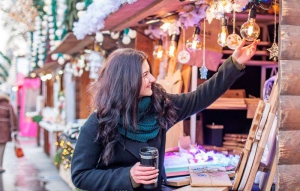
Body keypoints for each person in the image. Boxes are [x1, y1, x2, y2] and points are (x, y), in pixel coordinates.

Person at [71, 38, 259, 191]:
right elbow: (80, 175)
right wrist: (127, 176)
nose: (152, 79)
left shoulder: (161, 108)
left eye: (149, 73)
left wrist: (234, 64)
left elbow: (200, 97)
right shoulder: (98, 122)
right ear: (127, 81)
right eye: (145, 75)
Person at [0, 92, 18, 173]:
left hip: (4, 128)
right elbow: (12, 117)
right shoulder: (8, 105)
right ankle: (0, 165)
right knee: (2, 147)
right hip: (4, 129)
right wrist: (14, 129)